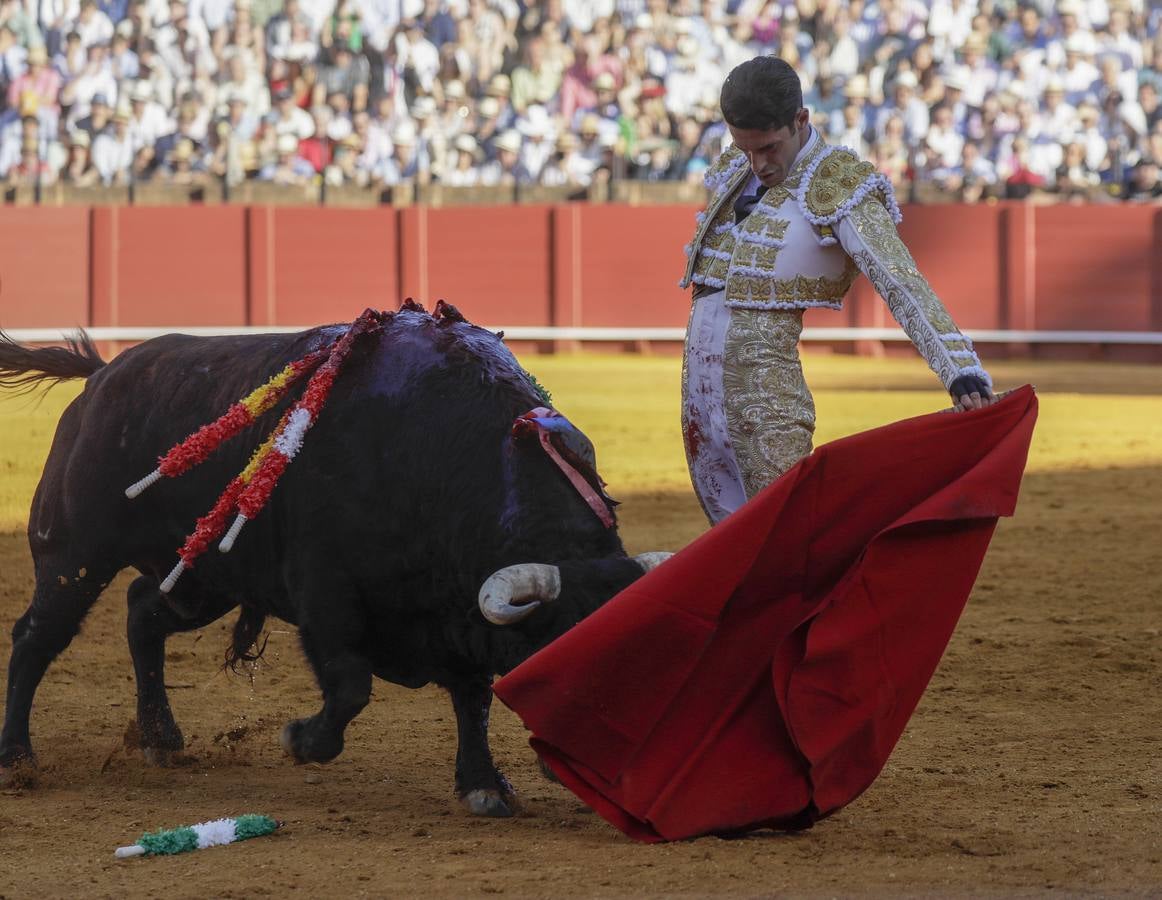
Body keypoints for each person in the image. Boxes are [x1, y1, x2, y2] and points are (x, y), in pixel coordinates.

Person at [679, 56, 996, 524]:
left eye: (768, 147)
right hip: (696, 400)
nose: (758, 164)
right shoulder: (733, 172)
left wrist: (960, 369)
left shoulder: (838, 183)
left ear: (800, 120)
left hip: (767, 401)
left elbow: (899, 278)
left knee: (783, 540)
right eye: (744, 149)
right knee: (727, 551)